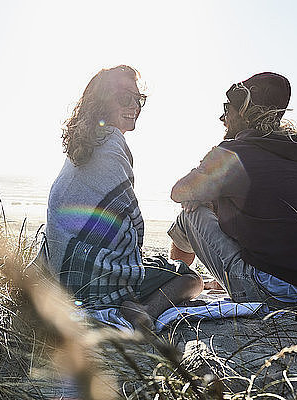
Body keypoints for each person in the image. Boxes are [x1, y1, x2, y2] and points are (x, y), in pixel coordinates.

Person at [45, 65, 203, 331]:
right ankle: (145, 311)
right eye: (124, 98)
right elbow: (132, 222)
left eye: (139, 99)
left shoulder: (82, 143)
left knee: (154, 266)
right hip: (88, 281)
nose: (135, 106)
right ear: (102, 103)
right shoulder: (112, 143)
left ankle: (131, 296)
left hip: (60, 271)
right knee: (190, 280)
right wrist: (133, 269)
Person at [168, 72, 297, 310]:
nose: (222, 117)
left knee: (190, 214)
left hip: (271, 294)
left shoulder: (232, 153)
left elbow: (179, 192)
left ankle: (171, 281)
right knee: (216, 205)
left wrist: (200, 192)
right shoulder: (295, 156)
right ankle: (188, 277)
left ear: (243, 111)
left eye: (227, 108)